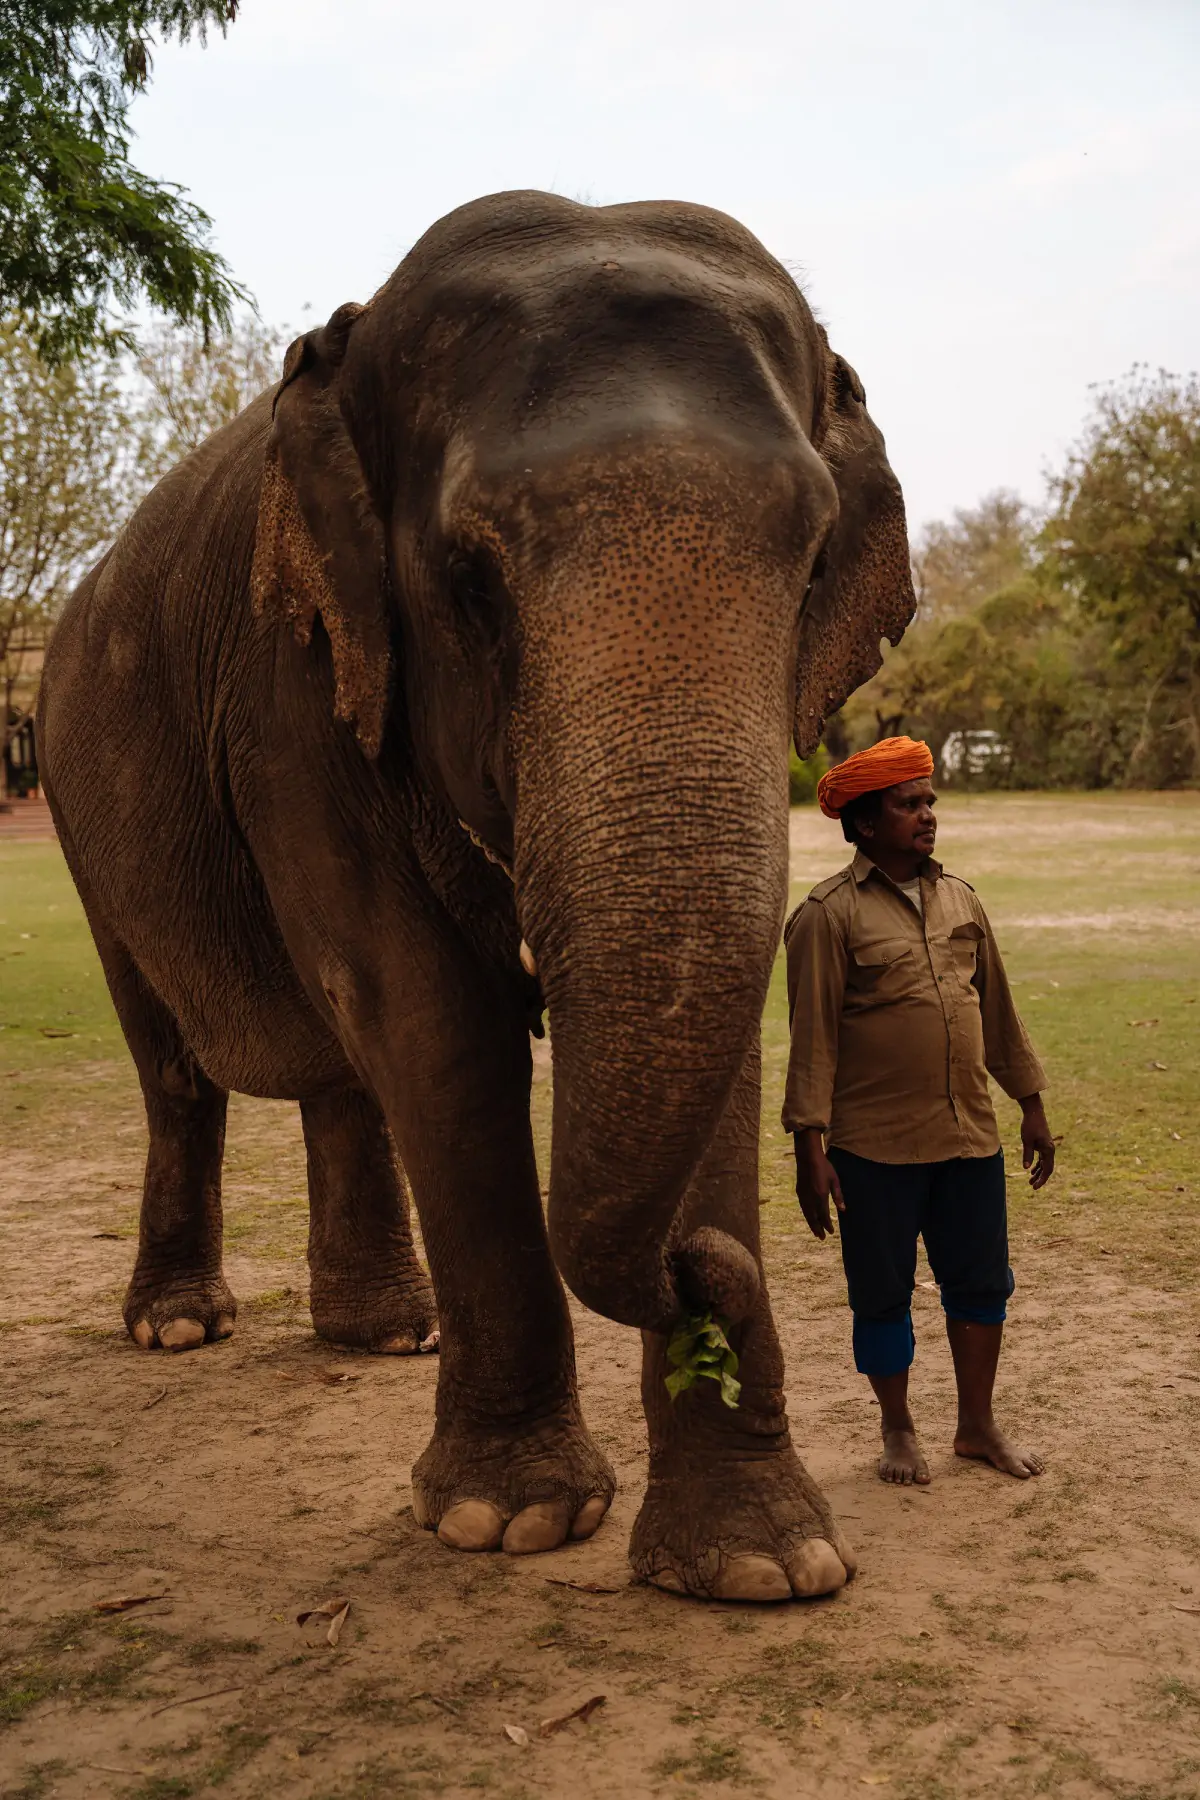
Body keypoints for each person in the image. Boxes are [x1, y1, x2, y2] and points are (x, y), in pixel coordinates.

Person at [782, 736, 1056, 1485]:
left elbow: (998, 1014)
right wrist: (810, 1148)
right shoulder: (825, 916)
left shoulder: (962, 899)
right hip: (873, 1148)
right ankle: (897, 1428)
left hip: (969, 1134)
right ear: (866, 823)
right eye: (909, 804)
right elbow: (811, 1042)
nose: (927, 814)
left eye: (928, 800)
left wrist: (1030, 1104)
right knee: (880, 1293)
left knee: (981, 1283)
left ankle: (976, 1426)